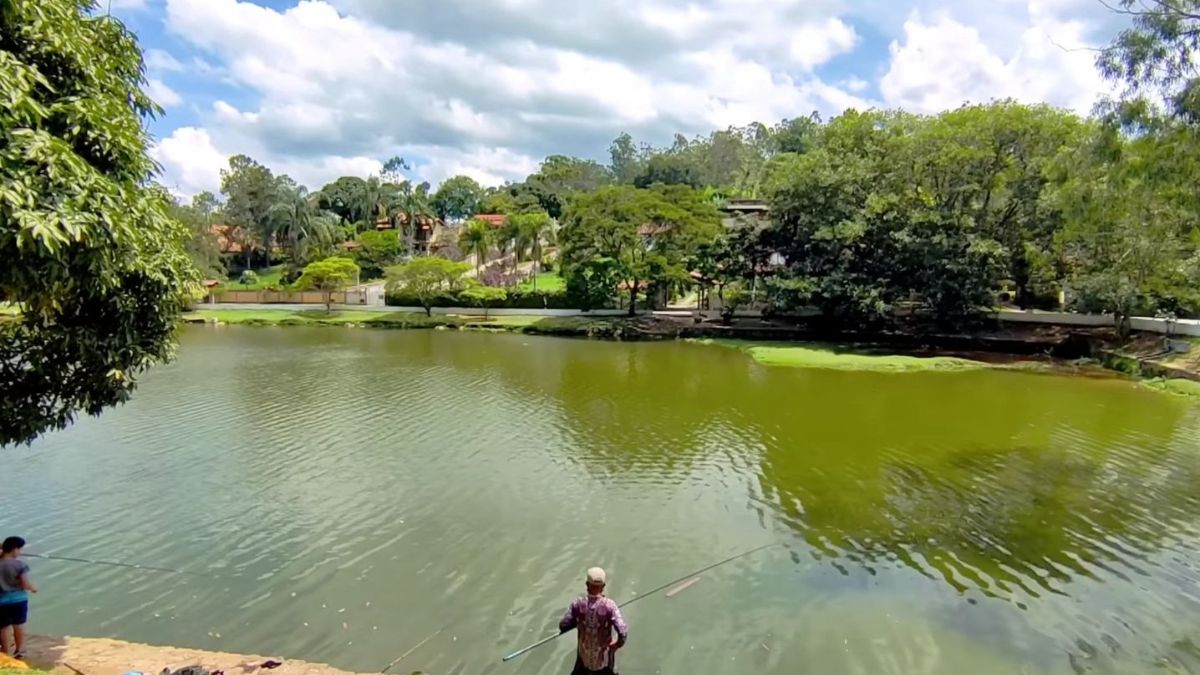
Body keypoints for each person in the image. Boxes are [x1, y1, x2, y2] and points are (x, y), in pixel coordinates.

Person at [559, 567, 628, 675]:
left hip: (584, 662)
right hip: (604, 664)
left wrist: (578, 622)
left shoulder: (577, 604)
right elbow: (623, 633)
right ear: (603, 586)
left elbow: (563, 625)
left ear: (587, 585)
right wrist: (617, 644)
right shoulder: (610, 605)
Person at [0, 537, 36, 661]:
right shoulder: (20, 565)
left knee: (3, 627)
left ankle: (5, 652)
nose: (20, 552)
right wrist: (33, 588)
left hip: (1, 602)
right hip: (19, 600)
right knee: (18, 625)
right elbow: (25, 584)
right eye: (20, 549)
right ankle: (19, 651)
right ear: (15, 549)